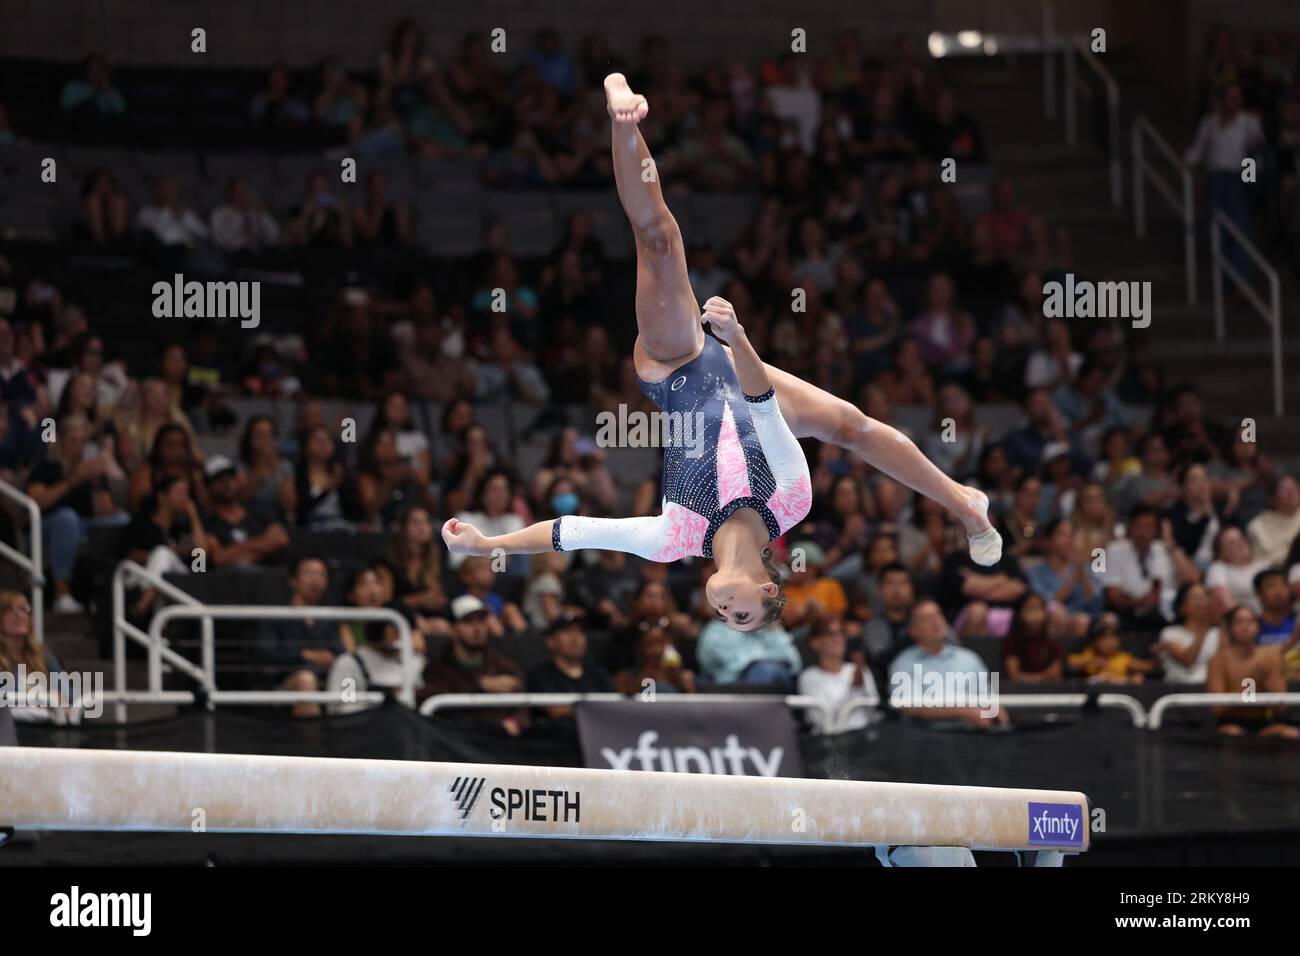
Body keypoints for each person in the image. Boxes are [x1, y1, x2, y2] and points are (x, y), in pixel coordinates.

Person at [444, 74, 1003, 630]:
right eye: (739, 613)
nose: (720, 610)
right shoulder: (791, 502)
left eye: (725, 618)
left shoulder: (674, 538)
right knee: (853, 427)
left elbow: (571, 533)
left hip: (678, 366)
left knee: (659, 242)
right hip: (745, 379)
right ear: (767, 586)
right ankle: (963, 503)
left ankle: (622, 121)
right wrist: (736, 341)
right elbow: (763, 407)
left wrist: (488, 542)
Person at [26, 414, 127, 613]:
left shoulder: (91, 471)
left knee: (124, 520)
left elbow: (106, 513)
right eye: (73, 440)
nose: (78, 446)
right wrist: (73, 480)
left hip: (82, 526)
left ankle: (112, 590)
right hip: (44, 528)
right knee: (67, 517)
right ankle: (61, 592)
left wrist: (97, 487)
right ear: (61, 441)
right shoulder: (47, 466)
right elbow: (36, 503)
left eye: (83, 441)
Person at [888, 600, 1008, 730]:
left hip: (974, 735)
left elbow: (989, 700)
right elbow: (910, 708)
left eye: (938, 615)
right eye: (926, 619)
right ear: (913, 631)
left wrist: (996, 713)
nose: (936, 621)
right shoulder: (903, 663)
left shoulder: (970, 658)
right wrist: (963, 711)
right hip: (928, 738)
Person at [418, 595, 527, 736]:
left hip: (502, 744)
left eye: (481, 621)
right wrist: (479, 685)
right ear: (453, 630)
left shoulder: (505, 667)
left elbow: (523, 710)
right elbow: (435, 709)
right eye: (468, 622)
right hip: (457, 743)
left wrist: (515, 722)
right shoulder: (436, 669)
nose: (477, 628)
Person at [254, 556, 345, 719]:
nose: (316, 580)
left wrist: (331, 658)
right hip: (282, 686)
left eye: (322, 575)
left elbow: (339, 651)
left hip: (325, 681)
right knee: (305, 679)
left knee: (349, 680)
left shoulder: (329, 619)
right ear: (293, 580)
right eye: (309, 573)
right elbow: (265, 654)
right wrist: (305, 655)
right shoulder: (274, 616)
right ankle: (312, 742)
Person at [1206, 605, 1298, 738]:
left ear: (1258, 626)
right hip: (1230, 723)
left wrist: (1266, 685)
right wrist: (1250, 684)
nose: (1245, 627)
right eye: (1239, 622)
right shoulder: (1218, 660)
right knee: (1232, 732)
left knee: (1289, 733)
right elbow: (1217, 708)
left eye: (1250, 622)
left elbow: (1280, 708)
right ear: (1230, 628)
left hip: (1263, 723)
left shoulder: (1271, 657)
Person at [798, 616, 878, 733]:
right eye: (831, 634)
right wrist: (853, 688)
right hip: (828, 745)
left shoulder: (859, 669)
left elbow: (873, 711)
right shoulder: (808, 678)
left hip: (864, 741)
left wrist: (861, 685)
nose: (839, 638)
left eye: (842, 633)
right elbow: (823, 721)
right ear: (815, 642)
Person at [526, 612, 615, 718]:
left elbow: (614, 707)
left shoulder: (599, 675)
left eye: (580, 631)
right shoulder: (539, 675)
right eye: (567, 631)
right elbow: (555, 709)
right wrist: (597, 709)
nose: (575, 638)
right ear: (551, 641)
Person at [1153, 582, 1221, 684]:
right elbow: (1188, 660)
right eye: (1194, 597)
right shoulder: (1170, 633)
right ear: (1182, 607)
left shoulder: (1218, 634)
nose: (1200, 602)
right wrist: (1204, 627)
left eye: (1204, 596)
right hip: (1178, 692)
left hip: (1210, 690)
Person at [1066, 614, 1155, 684]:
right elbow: (1070, 662)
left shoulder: (1122, 657)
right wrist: (1090, 662)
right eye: (1105, 638)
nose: (1111, 643)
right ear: (1094, 641)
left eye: (1114, 638)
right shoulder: (1089, 654)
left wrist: (1135, 679)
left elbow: (1148, 666)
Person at [1001, 593, 1064, 682]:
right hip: (1020, 692)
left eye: (1039, 608)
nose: (1036, 614)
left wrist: (1046, 676)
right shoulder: (1013, 641)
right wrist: (1043, 677)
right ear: (1020, 613)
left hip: (1048, 692)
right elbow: (1014, 676)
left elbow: (1056, 673)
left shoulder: (1052, 641)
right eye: (1031, 609)